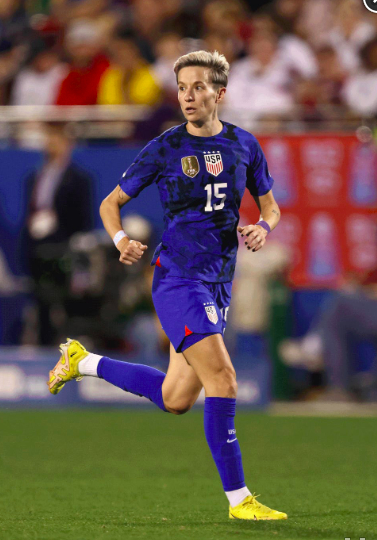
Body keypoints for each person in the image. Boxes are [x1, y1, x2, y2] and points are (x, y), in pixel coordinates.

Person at [47, 50, 287, 521]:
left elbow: (270, 206)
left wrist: (265, 227)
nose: (188, 96)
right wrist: (120, 240)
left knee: (177, 399)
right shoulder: (165, 147)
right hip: (178, 278)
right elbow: (110, 203)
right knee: (224, 379)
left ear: (220, 94)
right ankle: (240, 501)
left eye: (198, 87)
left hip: (219, 282)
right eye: (181, 88)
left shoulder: (244, 145)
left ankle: (83, 360)